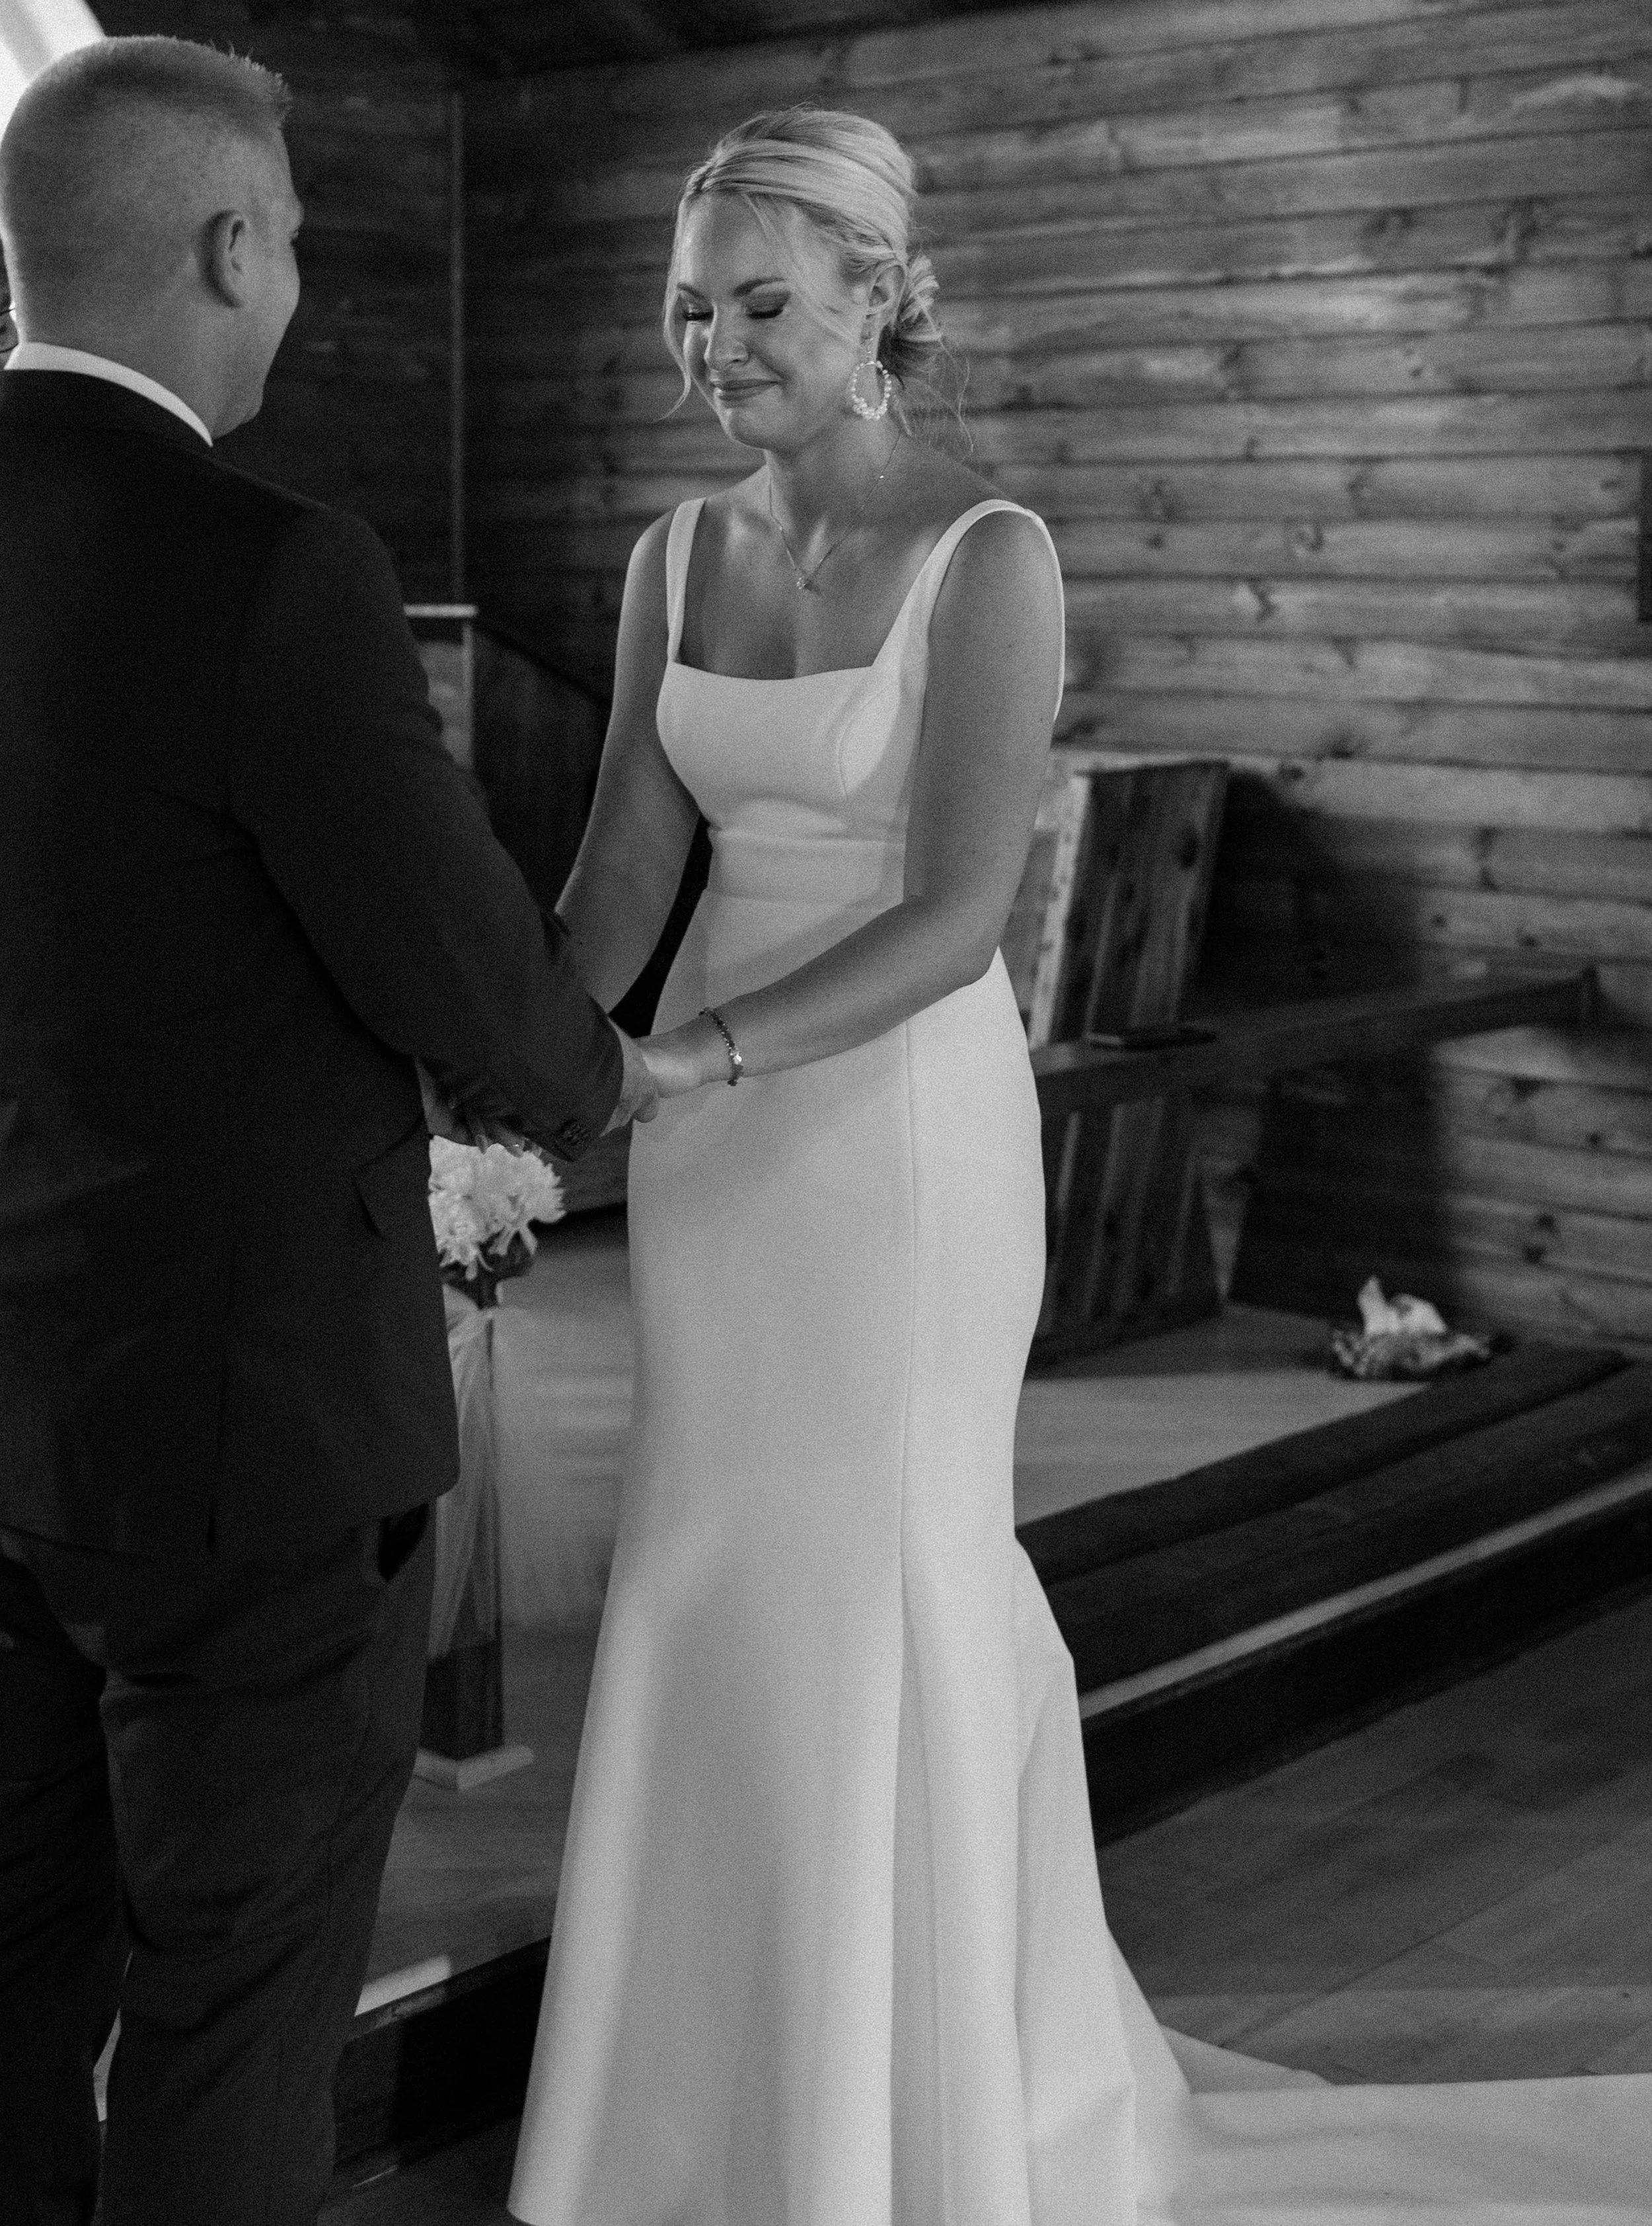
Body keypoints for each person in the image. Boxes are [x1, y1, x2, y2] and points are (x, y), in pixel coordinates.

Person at [507, 107, 1647, 2225]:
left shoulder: (986, 553)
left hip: (888, 1140)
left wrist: (700, 1058)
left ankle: (926, 2112)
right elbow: (612, 878)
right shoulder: (678, 557)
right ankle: (710, 2108)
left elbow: (957, 914)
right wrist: (500, 1069)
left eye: (760, 304)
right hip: (713, 1160)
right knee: (718, 1566)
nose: (713, 351)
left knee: (880, 1570)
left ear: (880, 303)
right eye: (688, 310)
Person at [0, 34, 654, 2226]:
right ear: (226, 241)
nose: (293, 291)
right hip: (244, 1437)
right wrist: (590, 1080)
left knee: (6, 1986)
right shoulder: (266, 566)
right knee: (233, 2016)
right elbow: (459, 971)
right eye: (285, 245)